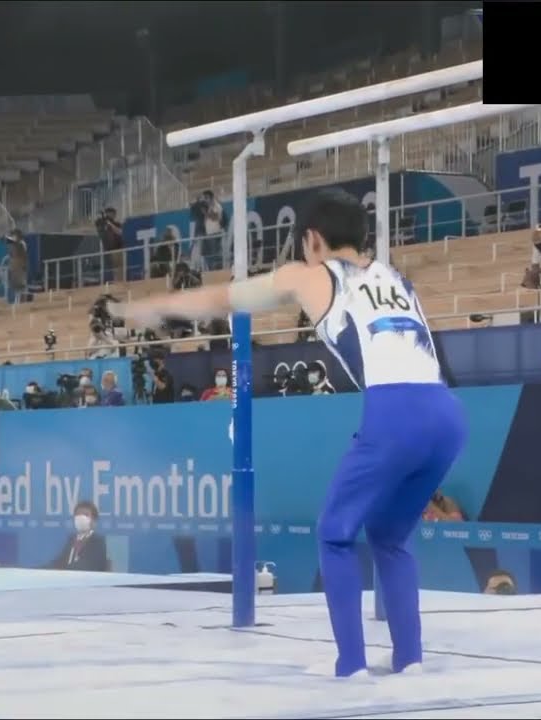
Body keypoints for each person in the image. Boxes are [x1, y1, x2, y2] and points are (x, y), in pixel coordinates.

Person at [122, 188, 466, 679]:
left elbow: (227, 298)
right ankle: (409, 659)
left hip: (396, 412)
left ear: (312, 239)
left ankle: (351, 665)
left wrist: (156, 307)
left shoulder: (311, 274)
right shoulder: (395, 277)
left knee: (334, 534)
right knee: (390, 535)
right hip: (447, 414)